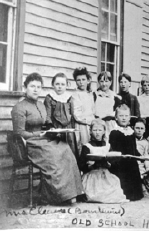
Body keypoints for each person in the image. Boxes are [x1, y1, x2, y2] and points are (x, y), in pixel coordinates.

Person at [11, 72, 83, 205]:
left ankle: (73, 192)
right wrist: (38, 135)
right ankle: (59, 195)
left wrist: (51, 129)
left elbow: (46, 121)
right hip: (30, 143)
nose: (36, 89)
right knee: (55, 154)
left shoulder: (40, 105)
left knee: (65, 148)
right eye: (32, 86)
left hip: (43, 139)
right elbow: (19, 132)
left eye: (38, 87)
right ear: (25, 87)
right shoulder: (19, 107)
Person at [78, 119, 128, 203]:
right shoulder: (87, 146)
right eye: (95, 130)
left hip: (105, 173)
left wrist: (109, 163)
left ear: (104, 131)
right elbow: (81, 165)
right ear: (90, 131)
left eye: (100, 130)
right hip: (92, 174)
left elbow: (113, 162)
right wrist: (90, 164)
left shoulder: (108, 146)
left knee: (115, 184)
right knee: (95, 194)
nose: (97, 133)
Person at [109, 104, 144, 201]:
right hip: (120, 163)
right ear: (116, 117)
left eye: (126, 116)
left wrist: (141, 157)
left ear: (129, 117)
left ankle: (135, 194)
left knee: (133, 180)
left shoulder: (131, 132)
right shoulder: (115, 132)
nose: (124, 118)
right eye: (121, 116)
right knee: (123, 181)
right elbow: (113, 149)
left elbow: (134, 148)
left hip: (131, 162)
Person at [44, 73, 77, 156]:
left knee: (70, 151)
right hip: (55, 128)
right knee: (57, 152)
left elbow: (72, 115)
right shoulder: (49, 98)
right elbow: (47, 115)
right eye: (57, 84)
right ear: (53, 85)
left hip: (68, 129)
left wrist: (73, 129)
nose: (60, 87)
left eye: (62, 84)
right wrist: (50, 126)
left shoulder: (69, 98)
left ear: (66, 86)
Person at [71, 67, 95, 154]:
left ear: (88, 80)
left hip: (92, 125)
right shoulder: (75, 95)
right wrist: (90, 121)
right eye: (78, 80)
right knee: (83, 146)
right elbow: (77, 115)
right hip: (82, 126)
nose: (81, 82)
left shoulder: (90, 94)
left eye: (83, 79)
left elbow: (93, 110)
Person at [94, 71, 121, 138]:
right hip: (98, 124)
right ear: (98, 82)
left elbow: (117, 112)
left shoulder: (115, 96)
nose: (104, 84)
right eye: (101, 81)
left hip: (110, 124)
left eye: (106, 81)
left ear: (110, 82)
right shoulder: (95, 95)